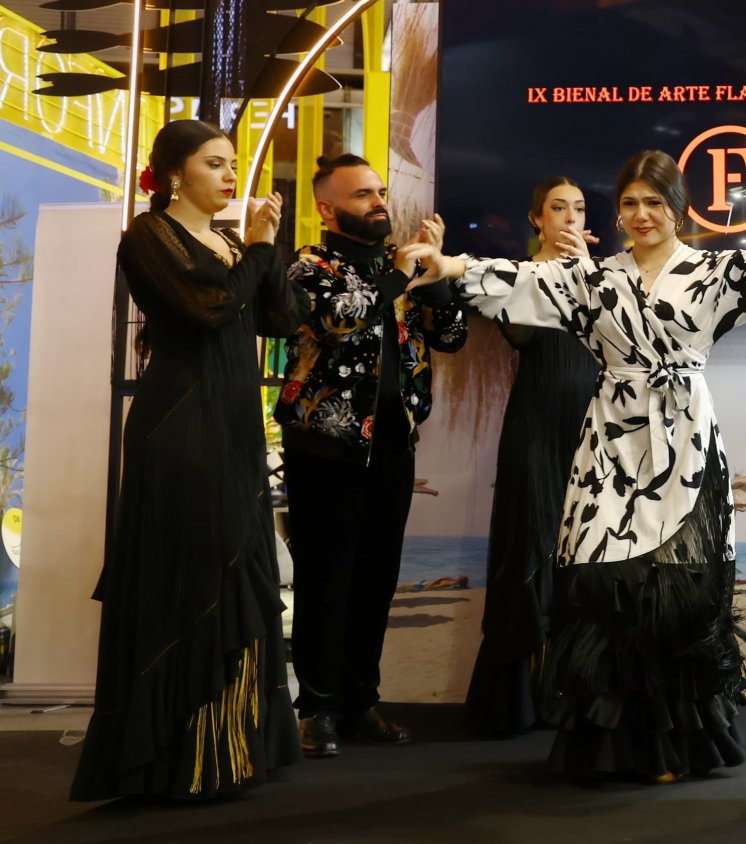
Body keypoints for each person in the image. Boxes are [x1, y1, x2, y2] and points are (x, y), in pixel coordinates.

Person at [410, 150, 746, 782]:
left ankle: (675, 744)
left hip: (683, 440)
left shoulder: (708, 270)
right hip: (610, 444)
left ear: (678, 207)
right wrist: (451, 265)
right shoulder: (597, 278)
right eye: (630, 203)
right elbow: (520, 281)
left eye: (654, 202)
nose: (642, 214)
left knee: (675, 590)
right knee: (605, 584)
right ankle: (608, 743)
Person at [71, 119, 307, 800]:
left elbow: (280, 321)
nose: (229, 175)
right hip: (180, 426)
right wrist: (257, 252)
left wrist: (267, 245)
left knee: (238, 572)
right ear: (175, 173)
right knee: (192, 574)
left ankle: (227, 751)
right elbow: (208, 310)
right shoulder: (147, 237)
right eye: (214, 163)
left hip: (231, 426)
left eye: (232, 163)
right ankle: (170, 759)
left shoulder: (233, 241)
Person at [274, 154, 468, 758]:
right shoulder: (309, 267)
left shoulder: (400, 267)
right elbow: (341, 322)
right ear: (328, 208)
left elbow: (451, 336)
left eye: (380, 191)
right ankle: (318, 709)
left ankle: (360, 702)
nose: (378, 202)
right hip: (325, 446)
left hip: (392, 442)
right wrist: (402, 274)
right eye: (362, 195)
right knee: (326, 576)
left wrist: (434, 276)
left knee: (377, 578)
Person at [466, 177, 602, 737]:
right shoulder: (517, 275)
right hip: (535, 427)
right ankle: (513, 704)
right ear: (536, 219)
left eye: (579, 208)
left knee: (588, 562)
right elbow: (520, 332)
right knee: (528, 549)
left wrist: (588, 271)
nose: (570, 217)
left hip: (593, 429)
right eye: (558, 208)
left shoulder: (602, 273)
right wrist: (555, 271)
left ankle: (574, 694)